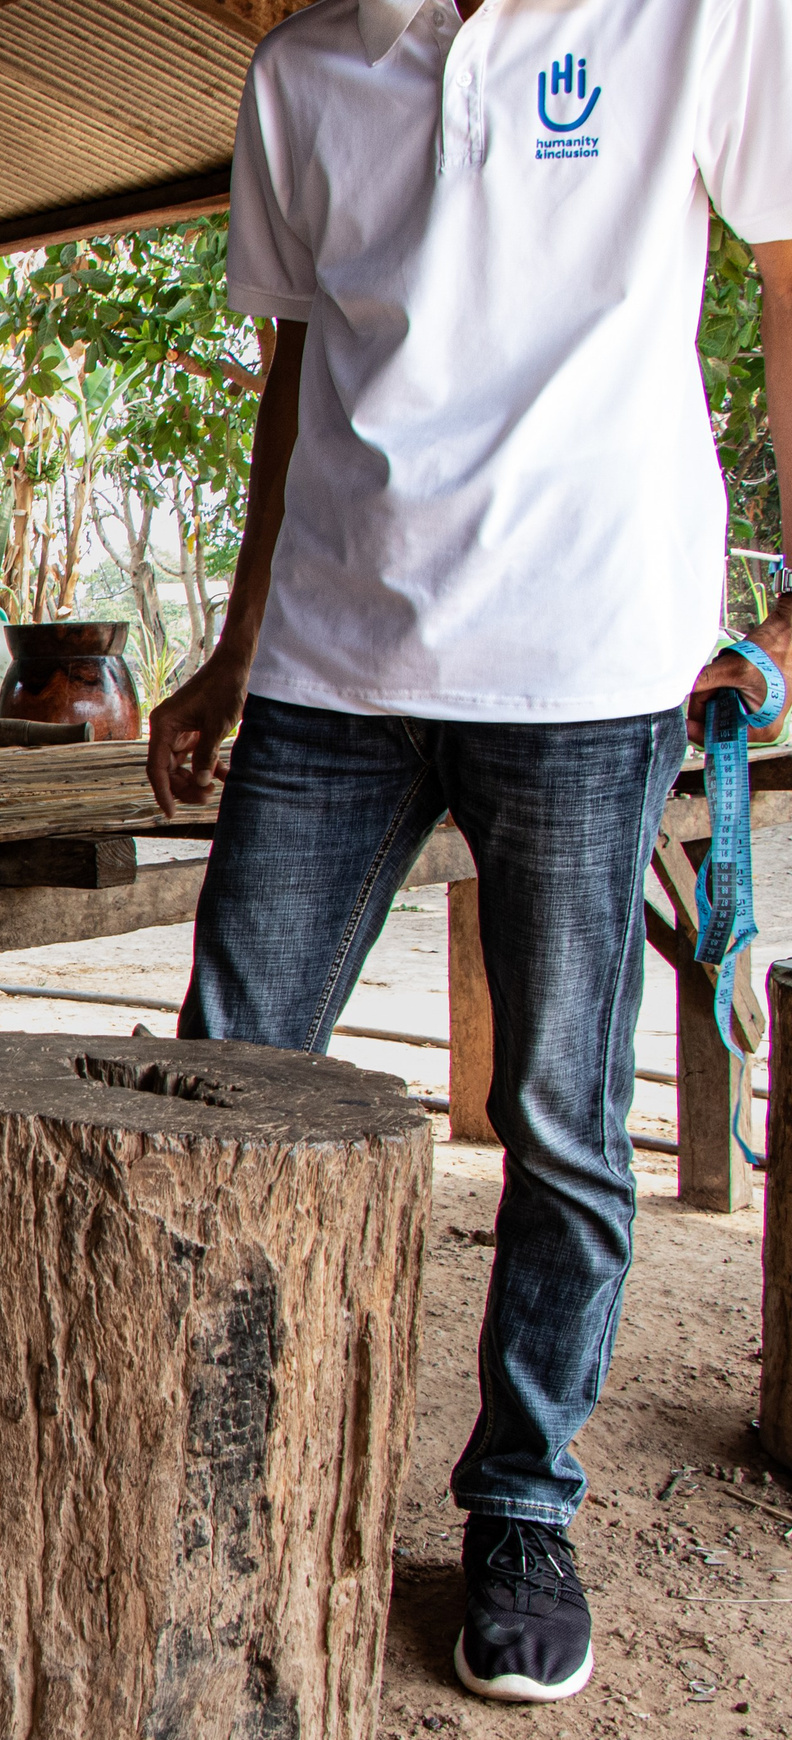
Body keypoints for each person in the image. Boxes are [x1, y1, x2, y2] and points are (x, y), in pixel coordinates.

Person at [148, 0, 791, 1706]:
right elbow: (298, 372)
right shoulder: (303, 71)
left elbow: (789, 275)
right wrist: (236, 644)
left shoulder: (698, 19)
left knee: (560, 1118)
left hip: (588, 659)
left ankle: (521, 1506)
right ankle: (213, 1471)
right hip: (330, 665)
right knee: (225, 1086)